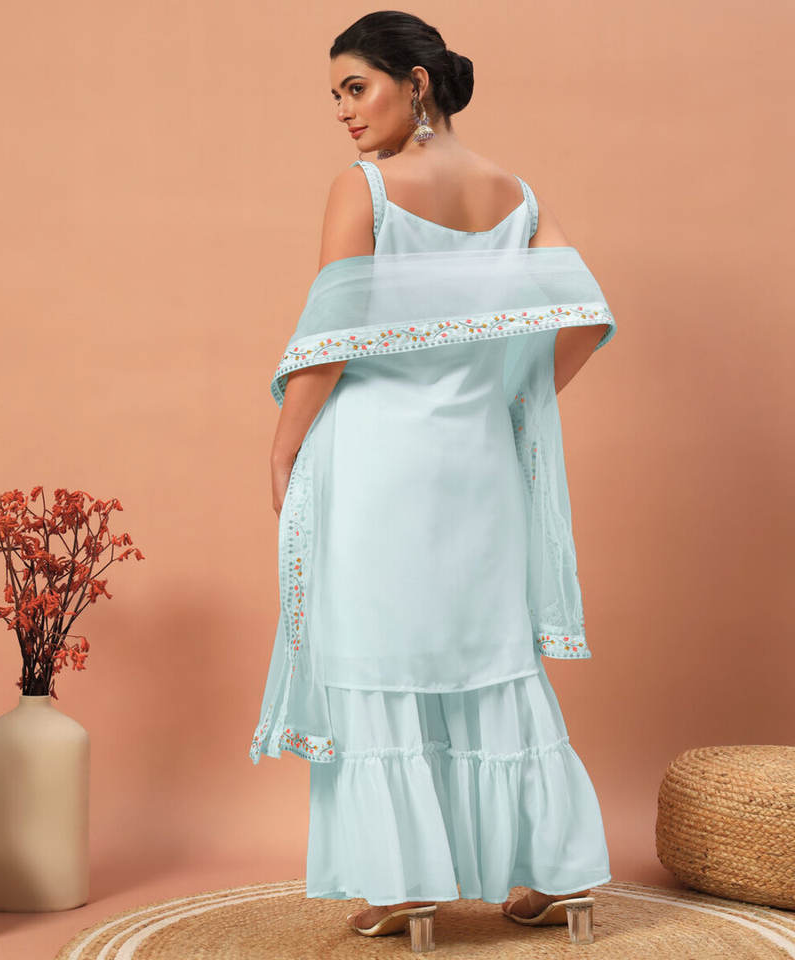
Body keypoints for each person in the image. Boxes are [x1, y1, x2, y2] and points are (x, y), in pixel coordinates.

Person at [250, 10, 615, 950]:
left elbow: (329, 341)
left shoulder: (364, 187)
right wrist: (510, 396)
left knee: (381, 660)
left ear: (415, 83)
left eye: (356, 86)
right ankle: (561, 876)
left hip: (377, 461)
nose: (342, 110)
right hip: (479, 463)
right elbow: (585, 316)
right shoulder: (516, 196)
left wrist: (284, 446)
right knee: (491, 659)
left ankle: (406, 886)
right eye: (335, 94)